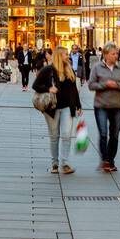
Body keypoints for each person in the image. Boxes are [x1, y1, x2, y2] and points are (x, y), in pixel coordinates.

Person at [32, 45, 81, 174]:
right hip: (52, 108)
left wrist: (78, 105)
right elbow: (35, 85)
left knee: (66, 135)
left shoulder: (69, 70)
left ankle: (65, 163)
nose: (68, 56)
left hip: (67, 107)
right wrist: (48, 88)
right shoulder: (47, 70)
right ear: (59, 56)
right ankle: (54, 163)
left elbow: (74, 90)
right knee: (54, 136)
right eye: (66, 54)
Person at [88, 42, 120, 172]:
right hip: (101, 105)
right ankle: (105, 160)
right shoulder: (97, 67)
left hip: (117, 105)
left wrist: (117, 85)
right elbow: (91, 85)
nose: (115, 56)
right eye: (113, 53)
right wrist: (104, 85)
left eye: (117, 53)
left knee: (115, 135)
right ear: (105, 54)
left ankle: (111, 160)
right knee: (104, 134)